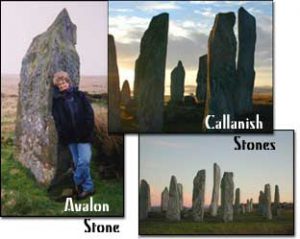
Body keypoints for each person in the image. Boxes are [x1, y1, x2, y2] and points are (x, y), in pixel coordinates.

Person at [52, 71, 95, 200]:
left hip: (83, 136)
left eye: (64, 82)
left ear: (68, 82)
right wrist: (63, 134)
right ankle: (87, 188)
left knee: (84, 161)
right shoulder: (57, 101)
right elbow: (58, 121)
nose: (62, 85)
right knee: (78, 163)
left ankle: (73, 182)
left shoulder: (80, 96)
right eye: (59, 84)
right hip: (70, 137)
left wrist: (87, 130)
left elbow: (89, 114)